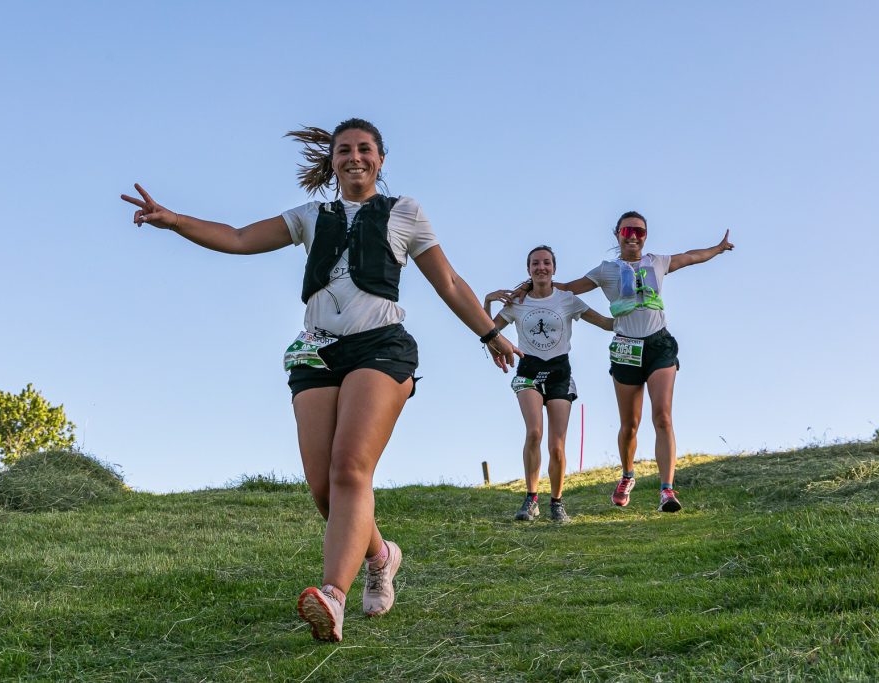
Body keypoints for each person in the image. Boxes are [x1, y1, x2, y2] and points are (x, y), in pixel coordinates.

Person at [121, 118, 520, 643]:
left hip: (381, 347)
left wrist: (488, 332)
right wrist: (175, 221)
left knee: (351, 467)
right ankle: (381, 557)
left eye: (365, 149)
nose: (355, 157)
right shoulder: (310, 216)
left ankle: (333, 596)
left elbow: (447, 281)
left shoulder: (406, 213)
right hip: (317, 352)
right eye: (344, 150)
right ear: (332, 161)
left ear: (381, 158)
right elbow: (240, 238)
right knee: (324, 489)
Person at [544, 211, 734, 512]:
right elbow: (568, 288)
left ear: (646, 236)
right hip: (625, 349)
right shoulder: (606, 270)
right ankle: (627, 475)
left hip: (659, 345)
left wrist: (718, 248)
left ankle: (667, 491)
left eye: (639, 232)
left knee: (663, 417)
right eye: (627, 231)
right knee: (630, 425)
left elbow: (691, 257)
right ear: (617, 234)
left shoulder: (657, 262)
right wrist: (532, 287)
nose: (633, 237)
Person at [484, 246, 613, 523]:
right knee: (534, 433)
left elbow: (604, 323)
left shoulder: (567, 299)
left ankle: (556, 502)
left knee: (557, 445)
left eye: (546, 263)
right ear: (528, 269)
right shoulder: (517, 303)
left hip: (560, 374)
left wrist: (635, 320)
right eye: (535, 263)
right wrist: (488, 300)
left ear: (554, 268)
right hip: (528, 372)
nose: (541, 267)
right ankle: (531, 500)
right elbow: (487, 332)